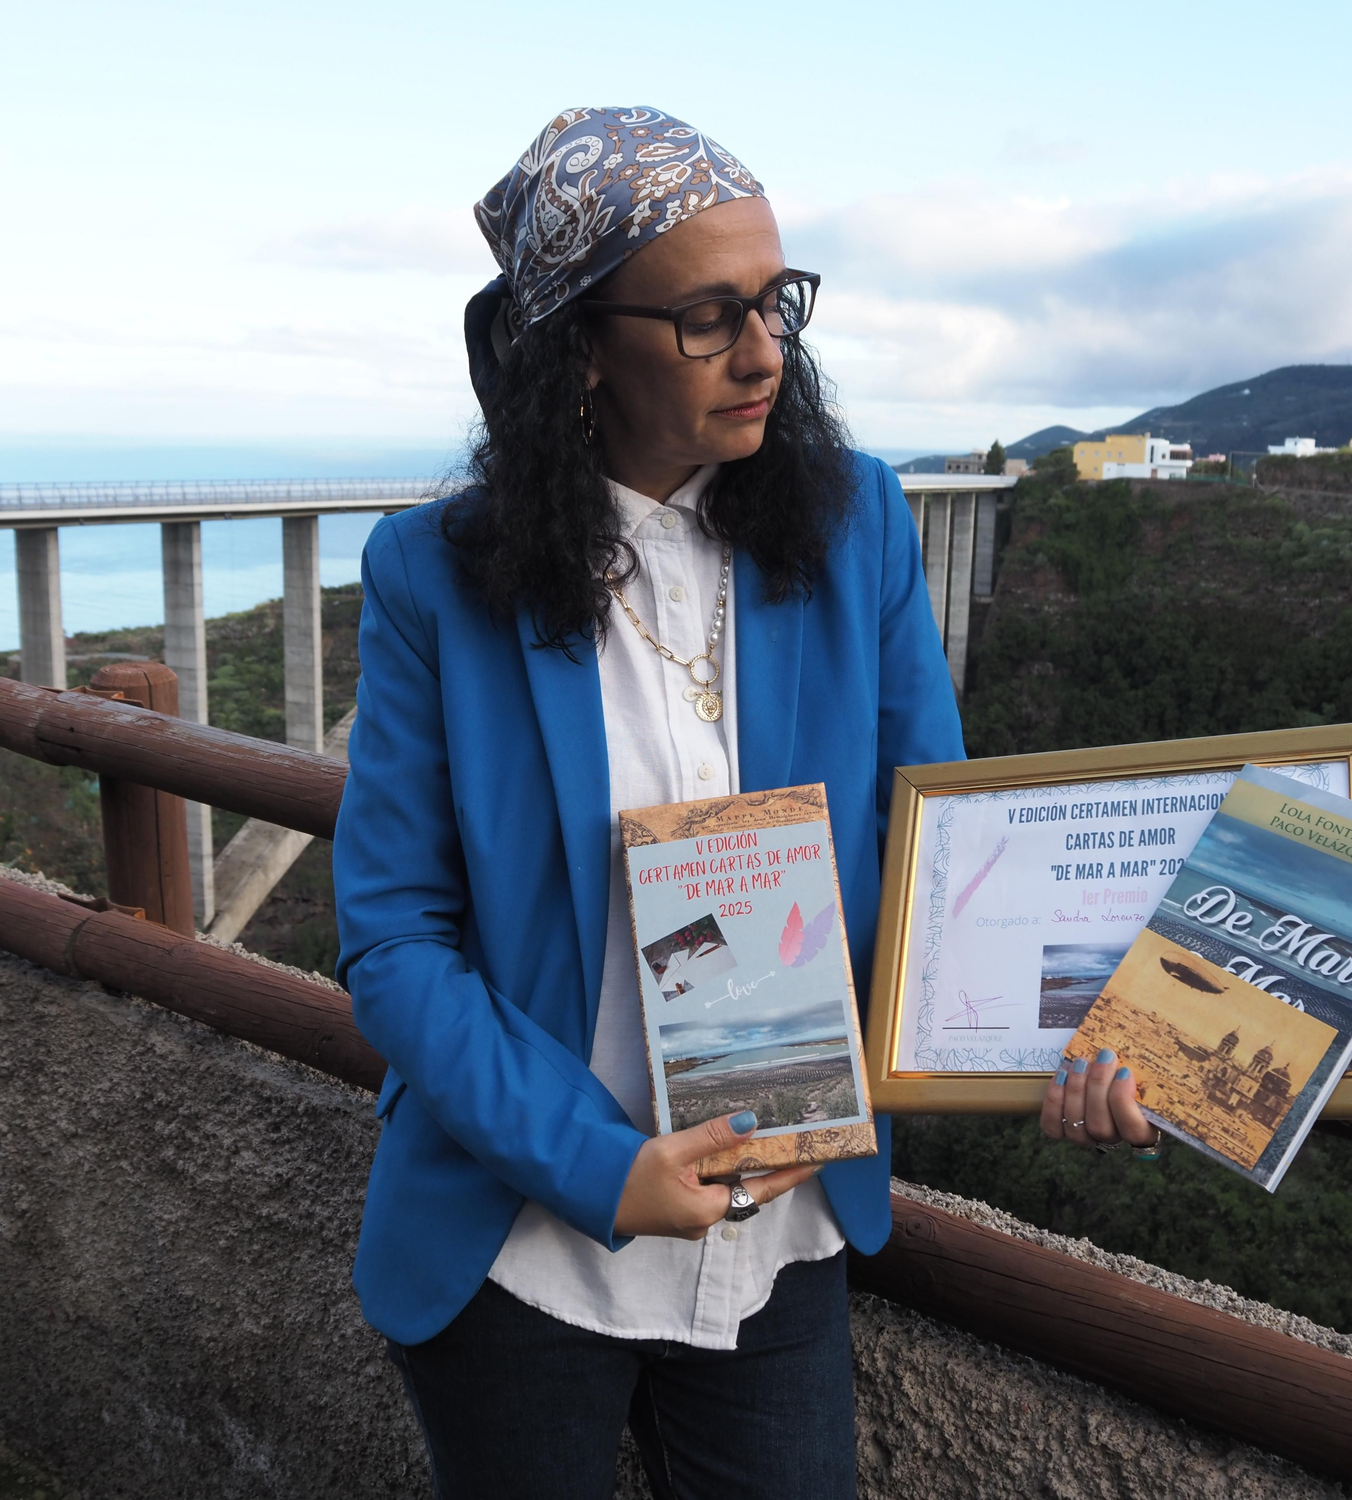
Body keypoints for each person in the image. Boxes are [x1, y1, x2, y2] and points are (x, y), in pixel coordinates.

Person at [330, 107, 963, 1500]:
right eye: (706, 317)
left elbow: (947, 861)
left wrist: (1060, 1047)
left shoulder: (855, 523)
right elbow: (393, 939)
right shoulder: (437, 577)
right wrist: (600, 1169)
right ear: (577, 352)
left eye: (777, 303)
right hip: (530, 1238)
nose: (765, 353)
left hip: (780, 1231)